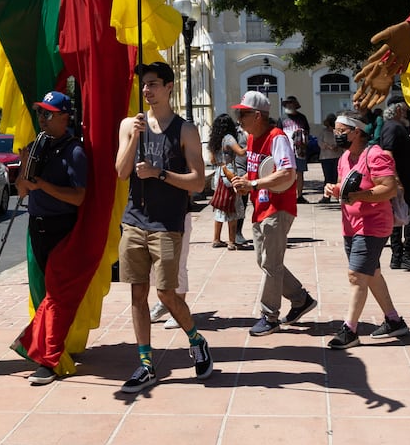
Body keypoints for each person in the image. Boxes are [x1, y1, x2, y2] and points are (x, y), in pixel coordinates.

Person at [114, 61, 210, 393]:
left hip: (167, 224)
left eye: (154, 84)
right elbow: (121, 172)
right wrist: (133, 137)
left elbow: (198, 183)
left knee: (166, 293)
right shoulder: (130, 125)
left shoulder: (185, 130)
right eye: (144, 85)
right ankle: (145, 363)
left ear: (169, 87)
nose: (147, 90)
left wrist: (160, 173)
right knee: (137, 294)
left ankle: (196, 339)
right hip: (134, 222)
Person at [14, 90, 87, 385]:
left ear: (64, 117)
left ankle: (50, 357)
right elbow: (21, 190)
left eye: (48, 114)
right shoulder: (38, 146)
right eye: (40, 114)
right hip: (36, 225)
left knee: (55, 295)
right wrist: (24, 168)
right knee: (41, 292)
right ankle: (47, 348)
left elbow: (80, 197)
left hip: (62, 227)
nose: (42, 119)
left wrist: (43, 185)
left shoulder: (75, 151)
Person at [230, 91, 317, 336]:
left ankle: (269, 316)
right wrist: (245, 180)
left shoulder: (277, 138)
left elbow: (287, 174)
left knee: (271, 264)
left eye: (243, 113)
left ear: (257, 116)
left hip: (277, 208)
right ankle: (301, 300)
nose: (239, 117)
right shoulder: (250, 138)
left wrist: (254, 185)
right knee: (266, 261)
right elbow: (257, 171)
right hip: (260, 207)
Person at [323, 111, 409, 348]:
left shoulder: (376, 155)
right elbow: (345, 184)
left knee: (356, 276)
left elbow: (389, 188)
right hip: (350, 226)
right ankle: (393, 320)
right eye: (336, 131)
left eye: (341, 131)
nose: (337, 135)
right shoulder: (345, 157)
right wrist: (334, 188)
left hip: (372, 225)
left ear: (357, 131)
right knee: (372, 274)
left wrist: (357, 195)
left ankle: (349, 330)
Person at [380, 100, 410, 272]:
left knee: (400, 217)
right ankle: (408, 255)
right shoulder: (393, 127)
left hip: (408, 181)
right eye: (406, 108)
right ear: (398, 109)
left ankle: (398, 256)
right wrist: (396, 179)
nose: (409, 111)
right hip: (403, 182)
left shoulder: (397, 126)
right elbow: (387, 153)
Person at [205, 113, 250, 249]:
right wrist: (252, 143)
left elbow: (212, 160)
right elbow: (241, 152)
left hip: (219, 174)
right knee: (232, 208)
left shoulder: (215, 140)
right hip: (230, 174)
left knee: (220, 207)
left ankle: (216, 239)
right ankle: (232, 241)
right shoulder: (229, 138)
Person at [279, 96, 310, 203]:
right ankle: (288, 195)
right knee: (286, 172)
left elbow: (307, 132)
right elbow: (278, 134)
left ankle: (299, 195)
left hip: (299, 150)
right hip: (285, 150)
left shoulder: (302, 118)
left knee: (300, 173)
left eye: (291, 103)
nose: (289, 105)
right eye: (287, 104)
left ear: (295, 105)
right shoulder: (282, 118)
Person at [317, 113, 342, 203]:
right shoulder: (323, 132)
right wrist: (328, 146)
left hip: (337, 156)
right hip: (326, 157)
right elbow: (320, 143)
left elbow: (342, 142)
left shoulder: (338, 131)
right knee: (328, 177)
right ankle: (326, 197)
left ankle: (338, 195)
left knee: (336, 177)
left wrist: (337, 146)